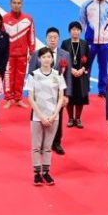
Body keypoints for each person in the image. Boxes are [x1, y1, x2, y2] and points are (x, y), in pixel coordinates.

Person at [25, 46, 66, 186]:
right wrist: (41, 116)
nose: (46, 59)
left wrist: (54, 115)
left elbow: (61, 97)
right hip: (37, 117)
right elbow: (30, 98)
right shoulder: (33, 75)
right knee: (36, 146)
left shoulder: (58, 75)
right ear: (39, 59)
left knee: (48, 147)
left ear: (52, 59)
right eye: (43, 57)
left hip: (53, 117)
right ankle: (37, 173)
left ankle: (46, 172)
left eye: (49, 57)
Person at [29, 27, 72, 155]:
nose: (53, 40)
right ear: (45, 39)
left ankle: (56, 143)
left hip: (58, 94)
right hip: (40, 95)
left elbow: (68, 76)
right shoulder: (37, 54)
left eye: (55, 37)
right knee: (39, 119)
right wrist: (33, 94)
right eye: (50, 38)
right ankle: (40, 143)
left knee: (57, 118)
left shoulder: (65, 55)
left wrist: (67, 95)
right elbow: (31, 74)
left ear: (59, 39)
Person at [80, 0, 108, 98]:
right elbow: (82, 20)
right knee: (86, 66)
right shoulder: (87, 4)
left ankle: (103, 90)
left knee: (103, 67)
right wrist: (89, 33)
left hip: (104, 43)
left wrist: (104, 33)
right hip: (90, 42)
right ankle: (84, 89)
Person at [2, 0, 35, 109]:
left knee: (20, 77)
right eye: (14, 3)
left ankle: (18, 98)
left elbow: (31, 36)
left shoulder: (28, 19)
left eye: (19, 3)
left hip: (22, 54)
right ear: (10, 4)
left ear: (22, 4)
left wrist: (32, 52)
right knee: (8, 77)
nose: (17, 5)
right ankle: (8, 99)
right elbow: (1, 38)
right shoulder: (4, 19)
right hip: (8, 55)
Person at [60, 21, 90, 129]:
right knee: (70, 96)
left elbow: (88, 59)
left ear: (80, 31)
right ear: (69, 31)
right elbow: (62, 59)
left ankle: (78, 118)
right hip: (69, 75)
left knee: (80, 97)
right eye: (73, 29)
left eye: (77, 29)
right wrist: (71, 69)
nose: (75, 31)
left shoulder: (84, 44)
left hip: (81, 75)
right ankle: (70, 118)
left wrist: (82, 69)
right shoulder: (65, 43)